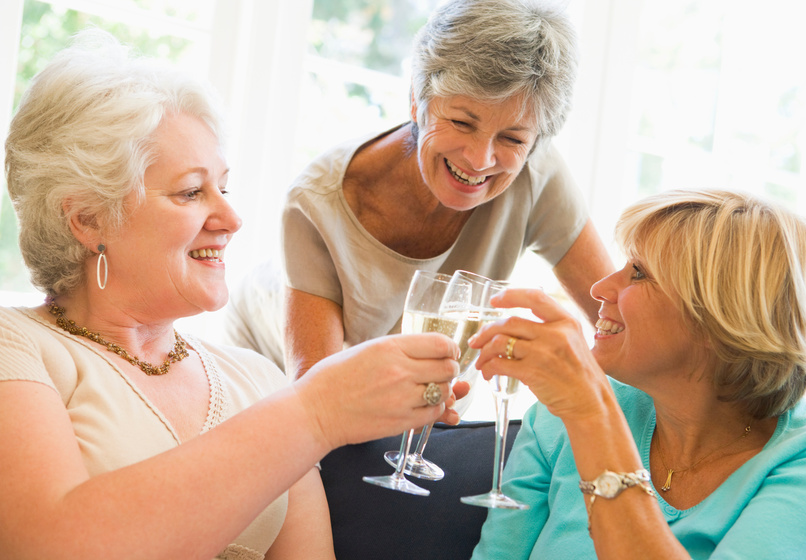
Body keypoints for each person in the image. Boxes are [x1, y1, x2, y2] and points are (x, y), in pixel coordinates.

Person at [0, 30, 465, 560]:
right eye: (191, 192)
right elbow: (47, 544)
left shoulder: (258, 381)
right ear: (88, 219)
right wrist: (315, 412)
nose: (231, 218)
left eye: (225, 186)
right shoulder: (16, 347)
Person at [226, 0, 614, 384]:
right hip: (271, 364)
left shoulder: (538, 174)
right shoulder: (316, 202)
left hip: (406, 396)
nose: (480, 160)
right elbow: (317, 397)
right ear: (417, 101)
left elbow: (618, 322)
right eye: (462, 122)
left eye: (511, 137)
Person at [467, 189, 806, 559]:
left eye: (639, 273)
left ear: (719, 321)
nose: (600, 288)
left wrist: (591, 413)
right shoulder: (556, 422)